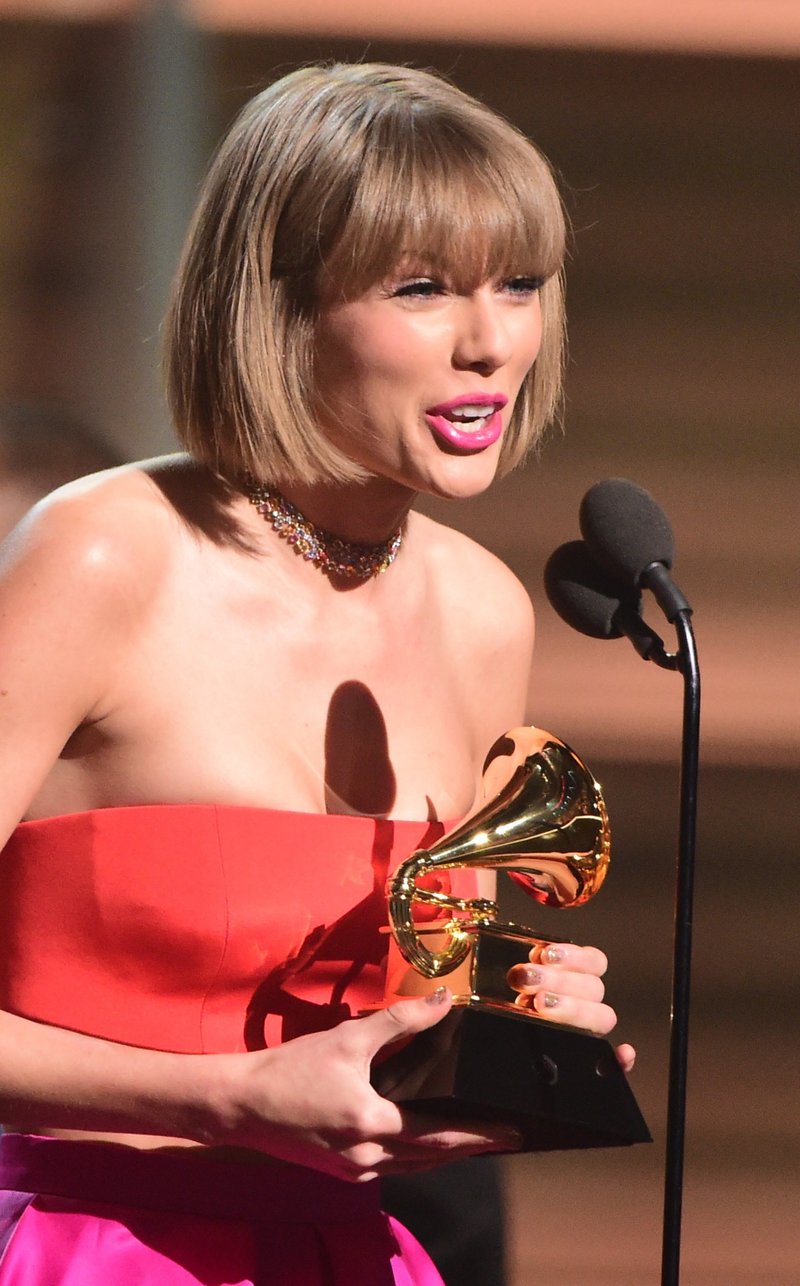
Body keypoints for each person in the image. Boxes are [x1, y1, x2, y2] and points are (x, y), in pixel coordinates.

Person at [0, 63, 635, 1284]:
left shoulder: (483, 611)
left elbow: (391, 1033)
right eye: (419, 288)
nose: (489, 342)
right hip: (85, 1246)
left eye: (519, 284)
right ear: (279, 305)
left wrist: (512, 1036)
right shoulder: (102, 552)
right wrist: (231, 1098)